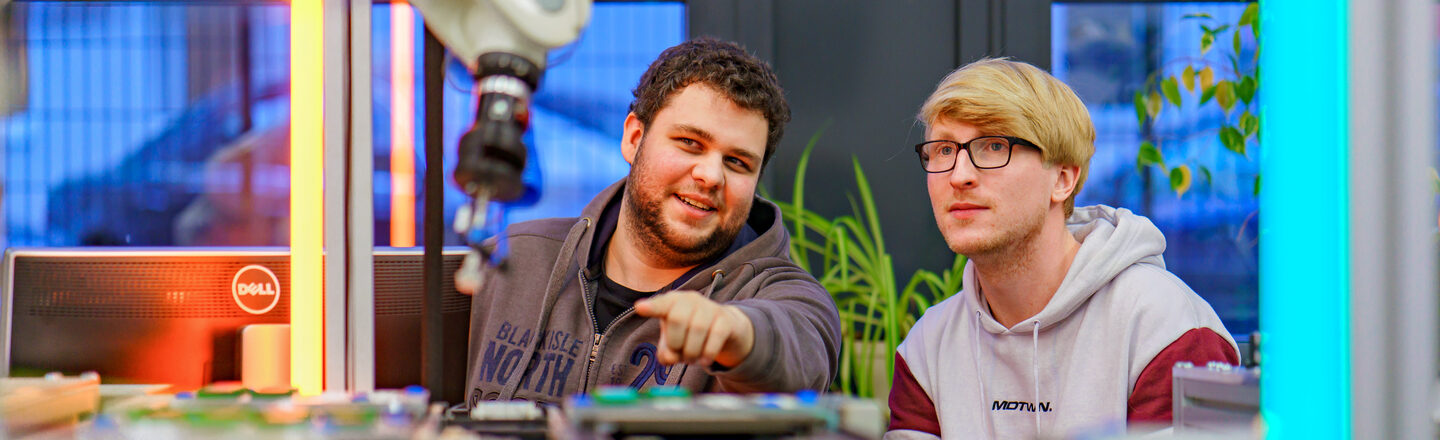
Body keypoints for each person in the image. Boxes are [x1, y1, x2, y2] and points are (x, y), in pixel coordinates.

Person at [456, 38, 841, 406]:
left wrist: (733, 331)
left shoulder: (786, 295)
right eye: (690, 142)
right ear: (634, 138)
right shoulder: (511, 260)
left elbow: (798, 350)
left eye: (737, 162)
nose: (710, 175)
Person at [885, 58, 1239, 439]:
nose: (959, 175)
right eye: (942, 150)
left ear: (1063, 179)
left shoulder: (1164, 326)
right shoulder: (927, 348)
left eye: (992, 146)